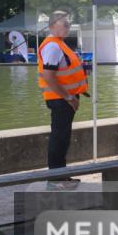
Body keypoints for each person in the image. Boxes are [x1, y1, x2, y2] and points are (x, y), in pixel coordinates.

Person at [38, 11, 89, 172]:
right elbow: (49, 76)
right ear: (53, 26)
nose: (68, 27)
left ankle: (60, 175)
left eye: (69, 24)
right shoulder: (53, 46)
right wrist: (69, 98)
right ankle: (56, 177)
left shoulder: (59, 43)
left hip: (64, 98)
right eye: (65, 24)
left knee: (62, 138)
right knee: (59, 138)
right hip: (61, 99)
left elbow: (62, 71)